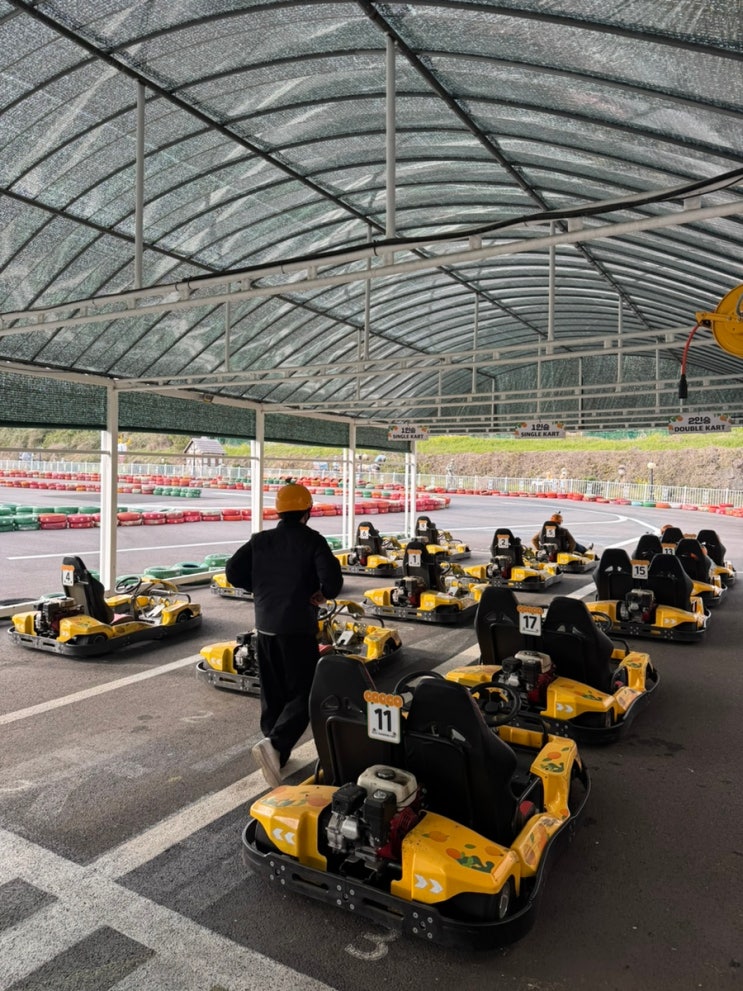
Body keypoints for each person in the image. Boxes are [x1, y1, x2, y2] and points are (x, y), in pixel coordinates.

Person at [226, 481, 343, 787]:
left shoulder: (260, 540)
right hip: (297, 628)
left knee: (273, 691)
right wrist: (321, 594)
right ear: (308, 511)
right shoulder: (313, 540)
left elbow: (232, 571)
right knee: (305, 691)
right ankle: (275, 744)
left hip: (265, 627)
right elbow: (333, 582)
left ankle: (276, 751)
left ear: (279, 511)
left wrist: (259, 588)